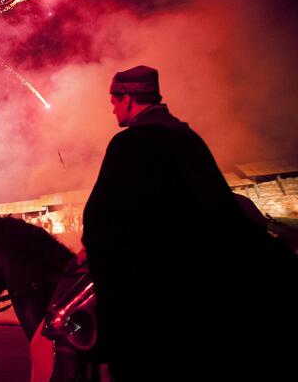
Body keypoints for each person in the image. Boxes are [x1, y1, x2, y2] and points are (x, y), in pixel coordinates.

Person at [82, 65, 297, 380]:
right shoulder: (188, 137)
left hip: (158, 291)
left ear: (127, 99)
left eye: (114, 100)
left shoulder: (127, 144)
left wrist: (88, 249)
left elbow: (101, 219)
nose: (112, 108)